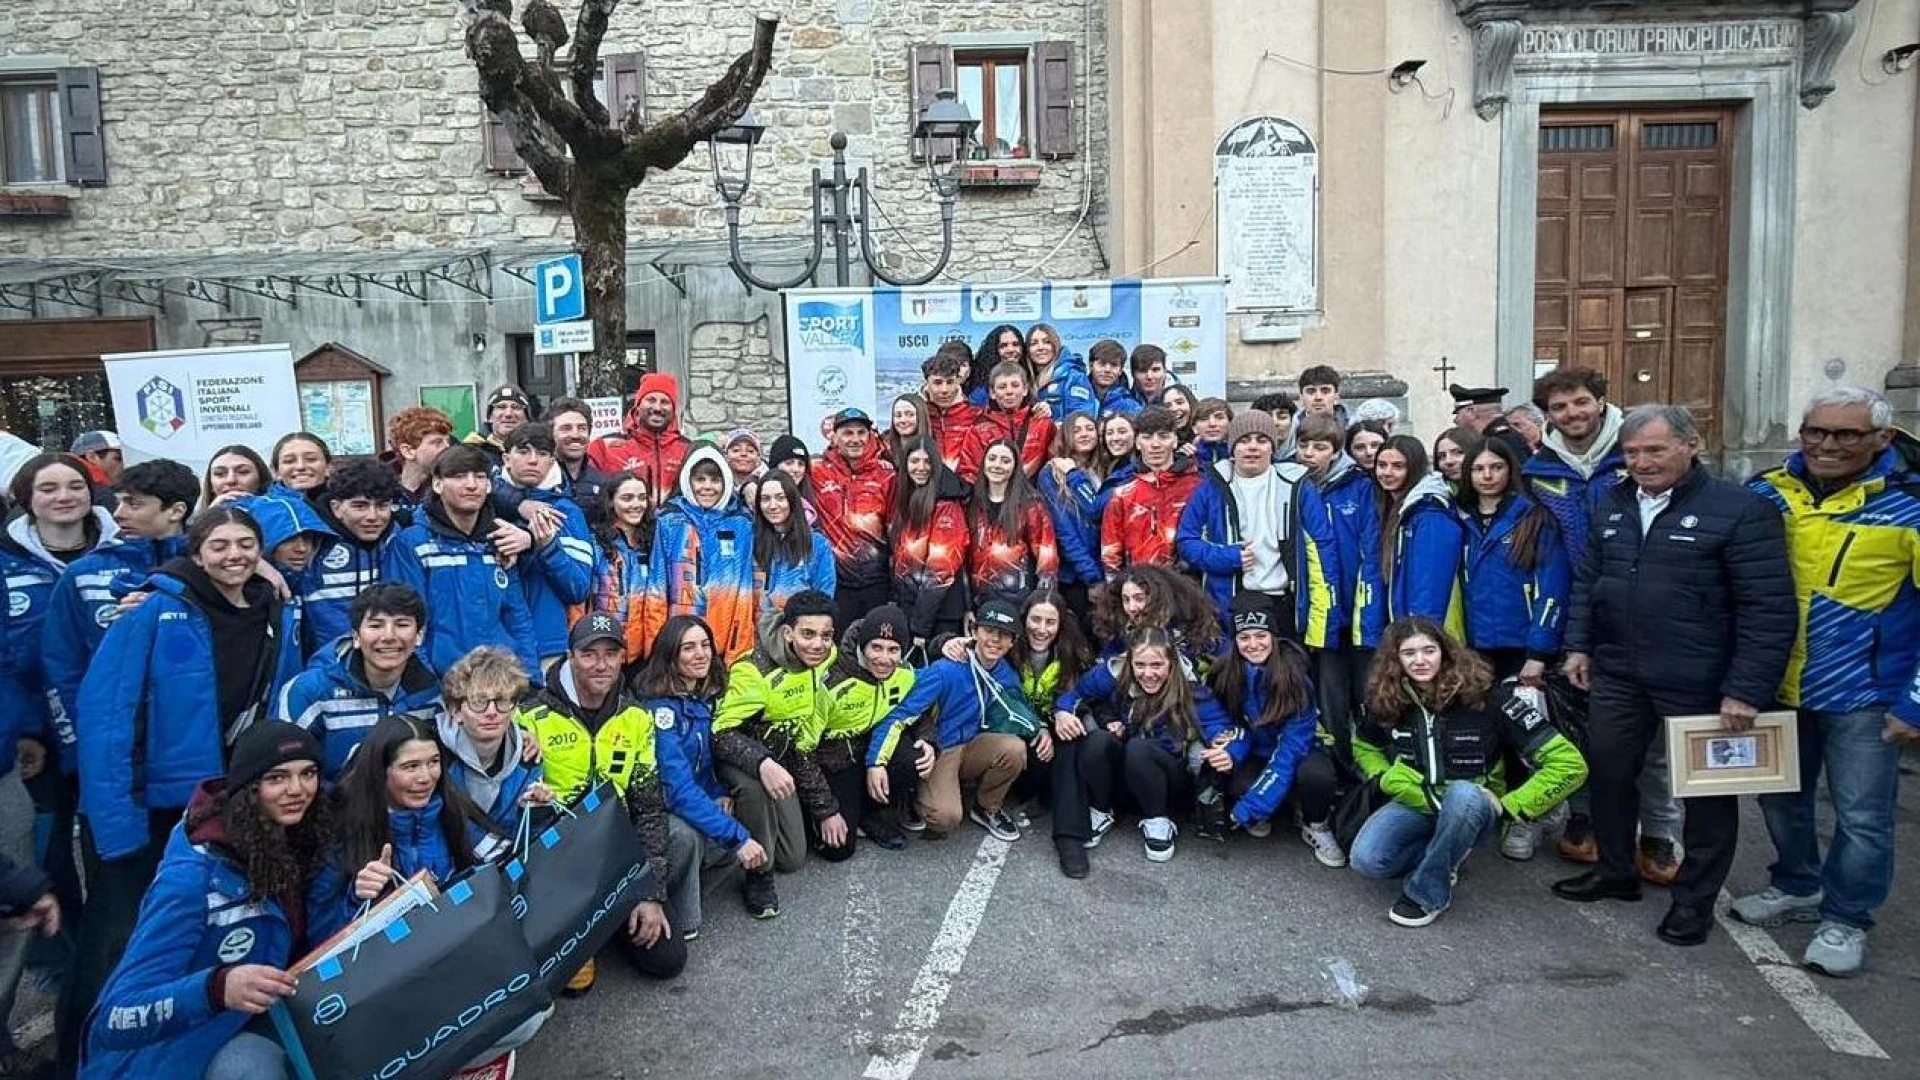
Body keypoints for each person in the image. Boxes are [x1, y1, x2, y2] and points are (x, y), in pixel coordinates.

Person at [66, 507, 303, 1077]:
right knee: (114, 949)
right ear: (195, 553)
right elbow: (106, 717)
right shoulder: (153, 609)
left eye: (246, 544)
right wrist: (115, 824)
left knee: (192, 937)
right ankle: (79, 1063)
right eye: (218, 546)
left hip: (224, 803)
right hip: (148, 806)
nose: (234, 556)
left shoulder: (273, 608)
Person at [1552, 405, 1794, 948]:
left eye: (1655, 450)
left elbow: (1767, 609)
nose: (1641, 462)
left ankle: (1693, 902)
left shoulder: (1740, 510)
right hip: (1617, 672)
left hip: (1702, 681)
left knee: (1705, 797)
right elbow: (1591, 581)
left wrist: (1746, 689)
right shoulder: (1613, 504)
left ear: (1691, 445)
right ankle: (1616, 871)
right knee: (1610, 773)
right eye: (1633, 453)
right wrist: (1578, 647)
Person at [1731, 386, 1920, 975]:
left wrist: (1914, 704)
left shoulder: (1909, 506)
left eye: (1845, 435)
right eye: (1815, 432)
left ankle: (1846, 918)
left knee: (1863, 814)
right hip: (1776, 685)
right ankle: (1796, 883)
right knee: (1782, 797)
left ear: (1882, 439)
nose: (1826, 445)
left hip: (1865, 693)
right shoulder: (1767, 493)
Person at [82, 723, 344, 1080]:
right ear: (248, 789)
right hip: (180, 1055)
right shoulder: (191, 881)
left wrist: (362, 896)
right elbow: (115, 1017)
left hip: (274, 1018)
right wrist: (216, 988)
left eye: (308, 773)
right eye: (277, 778)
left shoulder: (307, 843)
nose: (297, 790)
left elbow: (318, 946)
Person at [1522, 367, 1678, 873]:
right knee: (1581, 729)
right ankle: (1585, 818)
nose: (1572, 415)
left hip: (1647, 615)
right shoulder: (1540, 470)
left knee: (1651, 741)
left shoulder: (1635, 456)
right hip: (1577, 614)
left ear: (1602, 402)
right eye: (1560, 408)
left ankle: (1657, 831)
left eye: (1580, 403)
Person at [1351, 618, 1587, 927]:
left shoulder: (1488, 697)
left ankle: (1427, 893)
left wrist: (1512, 806)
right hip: (1417, 799)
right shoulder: (1388, 697)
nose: (1420, 660)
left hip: (1472, 807)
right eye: (1409, 653)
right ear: (1396, 660)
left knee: (1462, 795)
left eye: (1428, 650)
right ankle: (1446, 853)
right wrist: (1384, 777)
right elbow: (1364, 745)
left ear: (1445, 652)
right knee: (1367, 861)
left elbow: (1569, 764)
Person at [514, 613, 683, 989]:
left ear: (623, 657)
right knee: (570, 984)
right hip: (557, 859)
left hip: (614, 851)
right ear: (571, 656)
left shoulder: (636, 718)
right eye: (590, 653)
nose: (601, 664)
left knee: (667, 960)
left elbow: (649, 808)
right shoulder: (531, 716)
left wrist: (649, 892)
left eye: (611, 653)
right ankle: (585, 927)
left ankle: (610, 922)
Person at [636, 616, 769, 941]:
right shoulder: (659, 710)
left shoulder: (705, 695)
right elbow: (677, 787)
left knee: (730, 813)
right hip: (658, 807)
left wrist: (718, 791)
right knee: (687, 836)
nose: (700, 654)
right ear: (670, 656)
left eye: (705, 645)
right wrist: (737, 838)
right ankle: (681, 918)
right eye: (688, 648)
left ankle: (693, 881)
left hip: (693, 793)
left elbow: (703, 761)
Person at [711, 591, 843, 918]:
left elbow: (863, 647)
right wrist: (762, 763)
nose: (818, 644)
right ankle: (757, 876)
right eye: (808, 634)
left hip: (782, 758)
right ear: (788, 633)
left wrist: (826, 809)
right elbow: (720, 734)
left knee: (793, 858)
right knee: (755, 788)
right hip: (740, 760)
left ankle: (765, 837)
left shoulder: (826, 657)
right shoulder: (752, 671)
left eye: (826, 636)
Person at [867, 599, 1039, 843]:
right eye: (989, 631)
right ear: (974, 631)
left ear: (1012, 642)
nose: (994, 640)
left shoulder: (1005, 673)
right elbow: (899, 715)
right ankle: (916, 796)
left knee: (1014, 749)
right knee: (945, 818)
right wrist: (875, 761)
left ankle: (986, 807)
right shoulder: (946, 670)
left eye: (1003, 635)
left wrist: (1040, 729)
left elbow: (1019, 707)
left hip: (973, 744)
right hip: (941, 748)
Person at [1055, 626, 1230, 863]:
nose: (1148, 673)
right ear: (1130, 662)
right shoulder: (1114, 675)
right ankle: (1101, 810)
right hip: (1129, 774)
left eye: (1156, 665)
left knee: (1139, 748)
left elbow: (1223, 728)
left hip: (1171, 780)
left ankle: (1158, 820)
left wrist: (1227, 749)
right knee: (1097, 741)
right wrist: (1063, 712)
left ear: (1171, 663)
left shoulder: (1191, 690)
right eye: (1140, 665)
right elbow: (1075, 693)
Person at [3, 455, 121, 778]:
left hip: (109, 727)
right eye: (48, 488)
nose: (64, 496)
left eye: (75, 486)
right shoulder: (5, 565)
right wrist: (25, 727)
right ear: (27, 499)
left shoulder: (127, 555)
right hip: (28, 733)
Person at [1176, 409, 1337, 644]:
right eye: (1244, 441)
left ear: (1272, 448)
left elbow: (1322, 549)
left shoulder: (1297, 486)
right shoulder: (1210, 488)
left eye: (1262, 440)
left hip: (1284, 602)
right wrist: (1228, 557)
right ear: (1232, 449)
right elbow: (1186, 541)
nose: (1253, 447)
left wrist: (1322, 623)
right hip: (1230, 599)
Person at [382, 443, 540, 680]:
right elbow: (405, 623)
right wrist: (426, 686)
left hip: (500, 683)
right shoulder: (411, 544)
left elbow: (517, 617)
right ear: (437, 484)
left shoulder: (499, 540)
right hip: (440, 684)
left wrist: (532, 679)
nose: (471, 485)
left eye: (479, 476)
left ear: (489, 486)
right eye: (458, 476)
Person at [1213, 595, 1343, 864]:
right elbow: (1233, 726)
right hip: (1258, 750)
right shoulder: (1227, 673)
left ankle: (1315, 823)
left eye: (1261, 635)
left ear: (1273, 636)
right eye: (1244, 637)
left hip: (1301, 750)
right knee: (1238, 786)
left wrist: (1251, 806)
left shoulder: (1295, 677)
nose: (1253, 645)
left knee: (1317, 776)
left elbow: (1291, 750)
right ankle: (1283, 805)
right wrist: (1231, 750)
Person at [275, 584, 441, 781]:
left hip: (413, 809)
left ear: (419, 636)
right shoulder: (310, 692)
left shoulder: (433, 693)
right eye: (376, 625)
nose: (388, 636)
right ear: (355, 636)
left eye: (402, 624)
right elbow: (283, 771)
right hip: (334, 807)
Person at [1294, 416, 1377, 762]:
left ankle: (1372, 767)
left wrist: (1366, 608)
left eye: (1320, 447)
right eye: (1304, 446)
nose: (1309, 454)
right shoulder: (1293, 484)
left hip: (1354, 605)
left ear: (1336, 451)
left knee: (1368, 695)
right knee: (1329, 700)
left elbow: (1370, 547)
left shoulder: (1360, 486)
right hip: (1318, 610)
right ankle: (1341, 768)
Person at [1457, 437, 1569, 685]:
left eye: (1496, 467)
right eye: (1478, 468)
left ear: (1510, 469)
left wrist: (1539, 652)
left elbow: (1553, 589)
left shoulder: (1534, 518)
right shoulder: (1460, 519)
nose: (1487, 476)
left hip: (1524, 647)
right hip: (1475, 648)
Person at [818, 606, 920, 852]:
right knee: (838, 850)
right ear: (862, 646)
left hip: (874, 747)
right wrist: (824, 809)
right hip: (834, 758)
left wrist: (929, 740)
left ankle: (873, 813)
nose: (884, 659)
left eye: (893, 650)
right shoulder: (831, 679)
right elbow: (804, 747)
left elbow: (919, 709)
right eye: (876, 647)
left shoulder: (906, 673)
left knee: (912, 757)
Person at [643, 445, 757, 662]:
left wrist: (737, 651)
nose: (708, 487)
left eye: (715, 480)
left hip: (722, 642)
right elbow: (657, 587)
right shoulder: (670, 520)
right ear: (688, 480)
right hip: (678, 642)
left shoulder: (741, 523)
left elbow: (744, 591)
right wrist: (656, 648)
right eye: (700, 479)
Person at [497, 422, 597, 667]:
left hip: (548, 644)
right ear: (506, 458)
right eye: (523, 451)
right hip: (494, 644)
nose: (533, 460)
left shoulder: (566, 512)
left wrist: (546, 545)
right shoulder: (483, 503)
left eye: (542, 454)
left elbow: (578, 588)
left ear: (552, 461)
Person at [1358, 435, 1464, 642]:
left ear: (1414, 468)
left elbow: (1428, 585)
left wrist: (1419, 636)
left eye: (1398, 466)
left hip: (1424, 634)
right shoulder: (1393, 508)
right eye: (1382, 465)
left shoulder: (1430, 514)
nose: (1387, 473)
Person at [297, 458, 402, 653]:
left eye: (382, 506)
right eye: (360, 506)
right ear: (336, 508)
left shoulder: (398, 539)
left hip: (385, 661)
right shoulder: (311, 541)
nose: (372, 516)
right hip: (324, 664)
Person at [812, 408, 897, 629]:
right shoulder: (817, 471)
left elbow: (897, 528)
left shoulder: (887, 475)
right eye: (848, 433)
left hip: (877, 581)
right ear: (834, 436)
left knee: (874, 648)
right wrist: (750, 485)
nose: (856, 439)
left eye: (861, 432)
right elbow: (779, 474)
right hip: (836, 582)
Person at [1100, 406, 1202, 574]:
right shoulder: (1122, 494)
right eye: (1147, 437)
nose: (1155, 444)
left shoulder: (1197, 487)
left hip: (1188, 588)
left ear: (1175, 441)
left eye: (1163, 436)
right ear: (1138, 443)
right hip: (1139, 588)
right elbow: (1111, 555)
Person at [890, 437, 971, 648]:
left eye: (927, 462)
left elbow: (940, 573)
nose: (920, 468)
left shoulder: (947, 505)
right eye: (914, 461)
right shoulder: (907, 498)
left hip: (938, 616)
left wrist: (919, 627)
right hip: (911, 608)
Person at [965, 440, 1059, 609]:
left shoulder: (1031, 504)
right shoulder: (971, 503)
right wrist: (965, 606)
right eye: (992, 458)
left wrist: (1043, 602)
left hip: (1018, 600)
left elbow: (1047, 557)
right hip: (978, 599)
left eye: (1005, 461)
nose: (997, 465)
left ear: (1015, 466)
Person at [1037, 411, 1110, 630]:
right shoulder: (1051, 474)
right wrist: (1092, 577)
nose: (1084, 434)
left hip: (1110, 570)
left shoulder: (1106, 468)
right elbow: (1064, 532)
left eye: (1089, 428)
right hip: (1076, 576)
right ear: (1066, 435)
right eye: (1076, 430)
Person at [587, 372, 692, 508]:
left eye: (665, 402)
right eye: (651, 400)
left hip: (674, 527)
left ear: (673, 409)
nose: (657, 408)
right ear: (638, 405)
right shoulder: (605, 447)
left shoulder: (688, 449)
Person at [753, 470, 837, 617]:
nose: (773, 506)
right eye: (765, 499)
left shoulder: (817, 544)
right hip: (757, 633)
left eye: (780, 498)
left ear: (792, 500)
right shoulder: (751, 540)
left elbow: (824, 598)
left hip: (798, 631)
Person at [972, 361, 1056, 479]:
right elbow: (970, 473)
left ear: (1025, 389)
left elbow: (1056, 461)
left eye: (1015, 385)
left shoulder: (1043, 424)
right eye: (1002, 387)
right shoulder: (978, 429)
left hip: (1032, 494)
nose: (1009, 392)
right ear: (992, 393)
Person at [543, 397, 617, 521]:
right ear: (550, 434)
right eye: (566, 428)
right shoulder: (539, 480)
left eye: (582, 428)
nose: (575, 435)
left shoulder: (602, 482)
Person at [380, 406, 454, 513]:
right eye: (437, 442)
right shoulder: (379, 489)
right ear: (408, 451)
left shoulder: (450, 487)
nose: (447, 447)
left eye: (448, 441)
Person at [923, 346, 983, 477]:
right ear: (927, 383)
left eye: (950, 382)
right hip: (926, 489)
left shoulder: (977, 415)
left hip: (967, 490)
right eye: (938, 383)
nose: (944, 389)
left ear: (958, 382)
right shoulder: (917, 415)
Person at [1029, 323, 1095, 421]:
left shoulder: (1073, 376)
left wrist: (1053, 418)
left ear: (1055, 345)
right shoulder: (1026, 379)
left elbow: (1081, 419)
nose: (1040, 347)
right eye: (1034, 343)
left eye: (1046, 342)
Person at [463, 384, 534, 465]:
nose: (508, 414)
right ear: (490, 416)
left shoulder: (539, 450)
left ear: (527, 417)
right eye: (501, 407)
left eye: (516, 407)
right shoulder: (470, 451)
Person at [971, 325, 1027, 406]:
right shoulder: (981, 392)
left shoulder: (1031, 379)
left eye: (1015, 344)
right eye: (1003, 346)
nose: (1010, 349)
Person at [200, 445, 271, 509]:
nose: (231, 480)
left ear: (261, 478)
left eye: (243, 472)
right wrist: (210, 515)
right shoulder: (196, 521)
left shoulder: (280, 517)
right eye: (220, 474)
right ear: (210, 484)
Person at [1085, 339, 1139, 418]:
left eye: (1114, 365)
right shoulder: (1075, 398)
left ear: (1120, 370)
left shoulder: (1131, 407)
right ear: (1091, 366)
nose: (1107, 370)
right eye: (1102, 364)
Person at [267, 432, 331, 496]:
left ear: (328, 467)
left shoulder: (339, 499)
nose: (300, 466)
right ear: (276, 472)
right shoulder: (263, 505)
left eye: (311, 459)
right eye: (289, 461)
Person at [882, 395, 928, 470]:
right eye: (898, 415)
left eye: (910, 415)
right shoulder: (882, 448)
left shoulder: (934, 448)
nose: (903, 420)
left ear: (921, 416)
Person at [1189, 398, 1233, 469]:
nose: (1212, 424)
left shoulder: (1241, 457)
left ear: (1230, 423)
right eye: (1204, 418)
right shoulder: (1186, 459)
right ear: (1194, 427)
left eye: (1219, 417)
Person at [723, 427, 767, 494]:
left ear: (759, 457)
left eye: (750, 451)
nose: (743, 454)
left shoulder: (769, 483)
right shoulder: (719, 482)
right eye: (736, 450)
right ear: (726, 456)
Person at [1128, 344, 1172, 408]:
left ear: (1165, 371)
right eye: (1143, 370)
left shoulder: (1177, 404)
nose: (1149, 376)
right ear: (1133, 373)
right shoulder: (1121, 404)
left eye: (1155, 370)